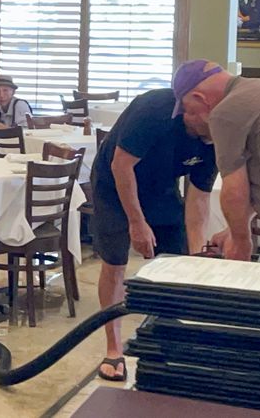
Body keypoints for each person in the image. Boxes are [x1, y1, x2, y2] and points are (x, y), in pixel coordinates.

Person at [91, 86, 218, 381]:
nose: (210, 140)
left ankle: (168, 340)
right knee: (115, 263)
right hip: (114, 184)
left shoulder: (214, 140)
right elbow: (121, 167)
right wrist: (137, 222)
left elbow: (198, 200)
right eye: (207, 130)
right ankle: (113, 350)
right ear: (193, 111)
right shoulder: (154, 111)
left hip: (161, 188)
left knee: (175, 262)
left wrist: (196, 256)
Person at [173, 59, 260, 266]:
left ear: (199, 97)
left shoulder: (225, 112)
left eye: (189, 110)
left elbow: (235, 188)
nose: (189, 117)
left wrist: (240, 241)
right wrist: (234, 229)